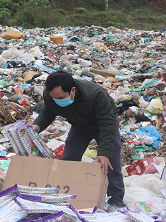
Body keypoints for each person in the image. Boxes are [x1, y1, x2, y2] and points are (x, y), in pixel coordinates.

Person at [32, 72, 124, 208]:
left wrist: (104, 153)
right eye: (55, 98)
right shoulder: (51, 95)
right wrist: (36, 126)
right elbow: (48, 113)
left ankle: (116, 201)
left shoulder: (95, 94)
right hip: (79, 127)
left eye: (61, 97)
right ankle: (67, 195)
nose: (58, 100)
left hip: (103, 125)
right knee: (69, 159)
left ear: (73, 90)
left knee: (110, 164)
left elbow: (107, 123)